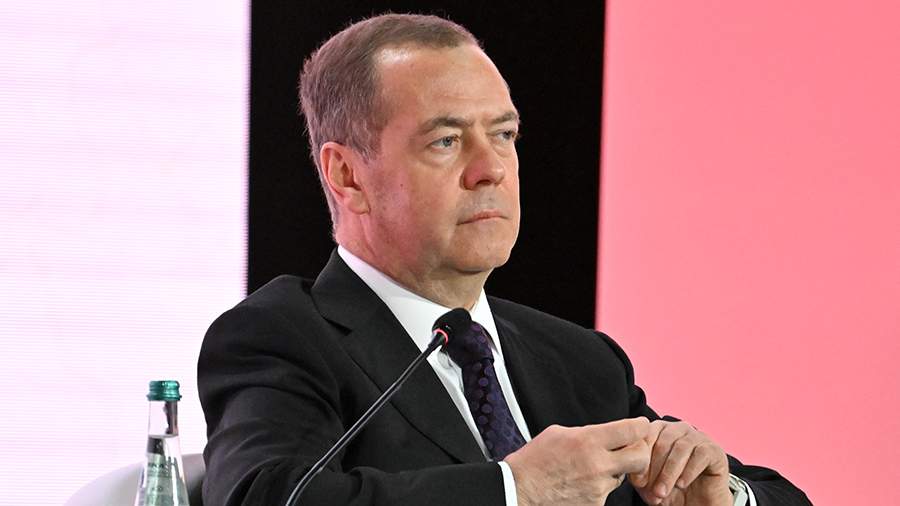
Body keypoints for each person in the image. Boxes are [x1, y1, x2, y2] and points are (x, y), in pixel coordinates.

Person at [198, 13, 810, 506]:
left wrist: (725, 496)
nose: (490, 168)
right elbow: (266, 496)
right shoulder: (281, 338)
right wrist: (515, 491)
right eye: (445, 140)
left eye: (503, 135)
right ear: (347, 176)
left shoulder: (579, 360)